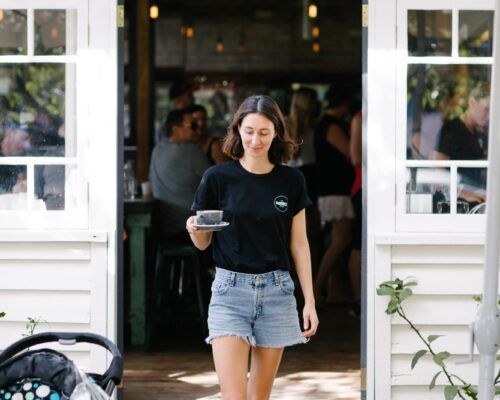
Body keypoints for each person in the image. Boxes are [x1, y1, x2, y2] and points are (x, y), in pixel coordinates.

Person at [186, 95, 319, 400]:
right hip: (230, 292)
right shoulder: (217, 178)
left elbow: (299, 244)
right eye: (248, 131)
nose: (255, 140)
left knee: (259, 398)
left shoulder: (292, 180)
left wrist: (309, 301)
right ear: (237, 131)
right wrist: (194, 229)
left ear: (276, 134)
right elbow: (203, 242)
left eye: (263, 132)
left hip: (277, 293)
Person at [313, 83, 356, 305]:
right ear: (345, 103)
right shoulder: (331, 126)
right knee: (342, 239)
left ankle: (334, 290)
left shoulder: (326, 123)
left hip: (332, 188)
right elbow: (350, 152)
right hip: (335, 188)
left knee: (339, 240)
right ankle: (316, 288)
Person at [150, 108, 210, 241]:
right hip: (189, 226)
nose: (197, 130)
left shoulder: (157, 149)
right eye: (193, 126)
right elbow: (216, 182)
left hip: (163, 227)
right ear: (176, 129)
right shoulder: (192, 151)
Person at [433, 82, 490, 207]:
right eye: (486, 109)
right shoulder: (451, 129)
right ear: (472, 102)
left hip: (475, 204)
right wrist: (464, 193)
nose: (489, 116)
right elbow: (437, 177)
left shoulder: (478, 134)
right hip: (452, 209)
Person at [288, 87, 321, 276]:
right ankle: (295, 277)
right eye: (312, 101)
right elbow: (292, 154)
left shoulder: (315, 125)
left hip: (312, 174)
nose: (316, 105)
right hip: (297, 174)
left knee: (314, 231)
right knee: (297, 231)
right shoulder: (290, 124)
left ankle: (312, 276)